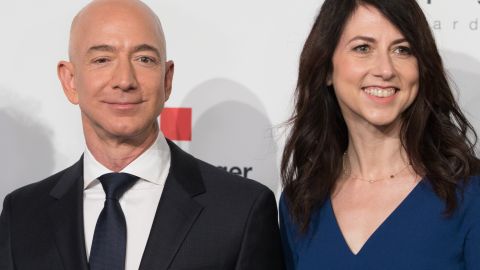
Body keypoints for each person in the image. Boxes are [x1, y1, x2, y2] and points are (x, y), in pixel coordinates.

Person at [0, 0, 285, 269]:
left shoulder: (240, 210)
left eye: (144, 59)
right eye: (102, 59)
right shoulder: (22, 214)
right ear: (70, 80)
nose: (125, 80)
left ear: (167, 78)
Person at [280, 0, 480, 269]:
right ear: (327, 68)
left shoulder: (469, 194)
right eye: (363, 48)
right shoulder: (300, 201)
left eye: (402, 50)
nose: (385, 70)